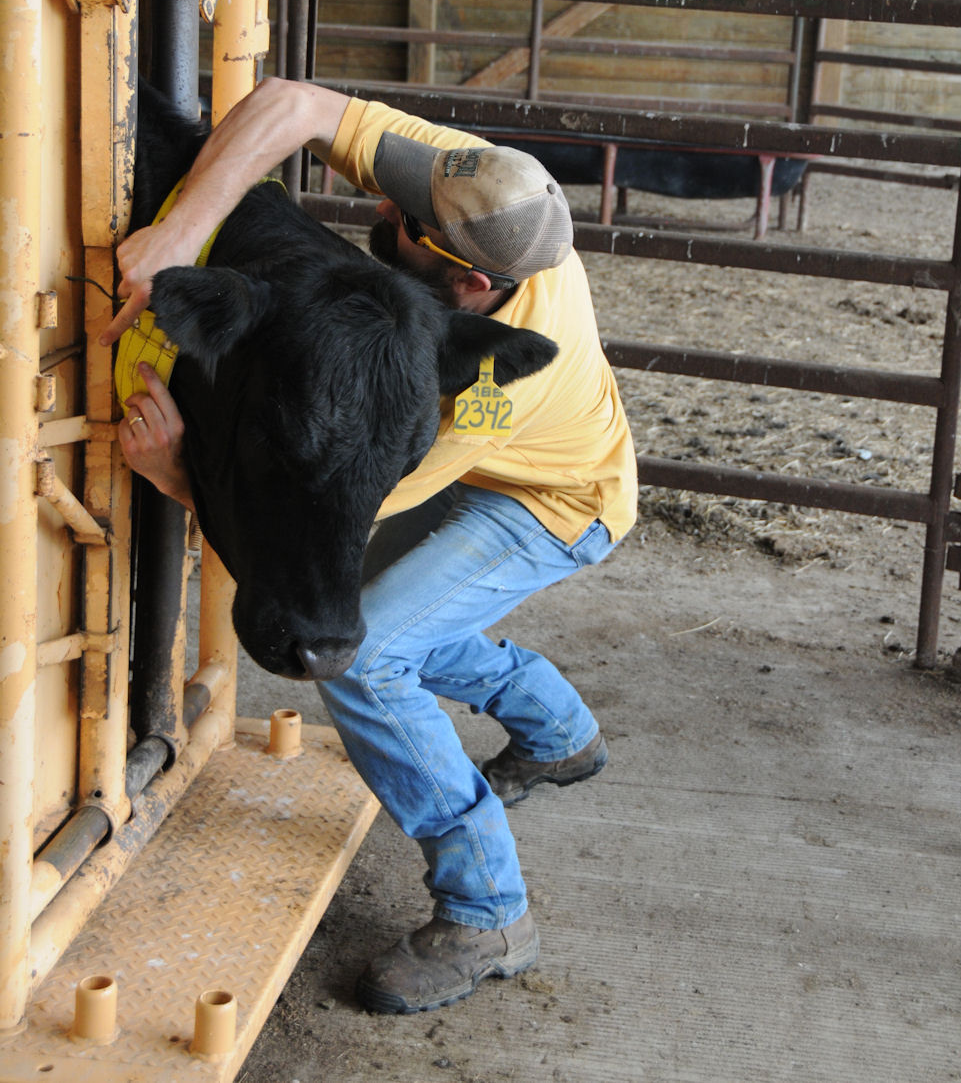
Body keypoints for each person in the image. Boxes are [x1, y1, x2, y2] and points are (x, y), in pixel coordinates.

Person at [103, 77, 637, 1014]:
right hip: (492, 475)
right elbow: (292, 106)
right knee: (404, 611)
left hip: (553, 503)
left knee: (370, 646)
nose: (380, 209)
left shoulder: (483, 390)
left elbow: (330, 508)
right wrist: (183, 231)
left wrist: (182, 480)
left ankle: (488, 911)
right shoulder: (491, 194)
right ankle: (558, 731)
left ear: (469, 286)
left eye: (397, 226)